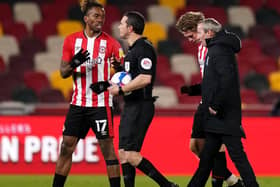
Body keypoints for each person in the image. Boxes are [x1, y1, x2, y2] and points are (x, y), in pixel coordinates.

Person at [52, 1, 124, 187]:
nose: (100, 20)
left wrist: (115, 74)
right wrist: (75, 62)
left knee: (107, 150)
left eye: (102, 16)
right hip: (78, 104)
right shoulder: (71, 40)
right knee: (66, 147)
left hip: (100, 104)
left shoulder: (112, 43)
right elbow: (63, 72)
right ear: (86, 18)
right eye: (96, 16)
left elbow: (124, 73)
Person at [108, 11, 179, 187]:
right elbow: (133, 75)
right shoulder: (133, 50)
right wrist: (120, 69)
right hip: (131, 105)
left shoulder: (143, 48)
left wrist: (120, 89)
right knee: (123, 153)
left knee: (131, 154)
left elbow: (145, 78)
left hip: (140, 106)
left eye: (122, 23)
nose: (119, 26)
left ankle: (167, 185)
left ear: (130, 28)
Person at [187, 18, 259, 187]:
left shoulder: (219, 51)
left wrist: (214, 105)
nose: (197, 36)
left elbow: (227, 80)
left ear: (209, 33)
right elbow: (214, 82)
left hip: (225, 116)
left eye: (199, 32)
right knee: (206, 160)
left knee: (237, 157)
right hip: (218, 118)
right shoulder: (216, 49)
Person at [176, 12, 243, 187]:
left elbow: (224, 75)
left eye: (189, 35)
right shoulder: (202, 47)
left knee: (215, 146)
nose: (189, 39)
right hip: (205, 101)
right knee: (196, 146)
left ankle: (222, 183)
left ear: (196, 29)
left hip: (216, 103)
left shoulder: (216, 45)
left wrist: (216, 101)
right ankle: (233, 181)